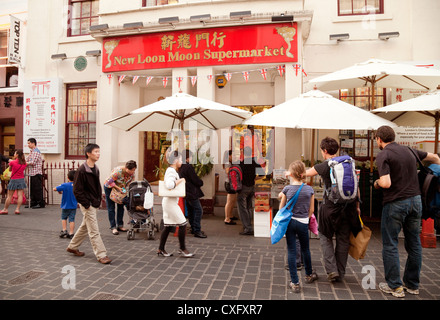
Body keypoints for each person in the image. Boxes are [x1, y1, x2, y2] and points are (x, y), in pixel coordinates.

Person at [374, 125, 440, 298]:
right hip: (416, 202)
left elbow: (386, 183)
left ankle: (395, 286)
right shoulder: (410, 150)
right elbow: (433, 157)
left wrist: (376, 183)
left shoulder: (383, 155)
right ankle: (412, 285)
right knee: (414, 244)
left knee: (390, 244)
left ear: (379, 139)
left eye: (376, 140)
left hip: (395, 203)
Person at [304, 137, 361, 282]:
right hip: (348, 208)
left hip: (330, 208)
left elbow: (304, 174)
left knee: (325, 236)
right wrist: (357, 206)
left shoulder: (325, 165)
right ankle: (340, 273)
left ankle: (332, 270)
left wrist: (289, 173)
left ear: (324, 151)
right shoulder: (348, 163)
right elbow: (357, 186)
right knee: (343, 239)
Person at [66, 143, 112, 264]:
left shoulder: (95, 168)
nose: (98, 154)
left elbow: (96, 186)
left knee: (85, 226)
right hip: (88, 204)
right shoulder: (81, 170)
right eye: (96, 151)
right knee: (94, 230)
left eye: (99, 151)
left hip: (94, 202)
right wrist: (86, 204)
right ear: (88, 153)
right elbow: (76, 190)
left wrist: (97, 199)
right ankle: (101, 254)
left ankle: (72, 246)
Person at [279, 160, 318, 292]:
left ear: (292, 174)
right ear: (304, 173)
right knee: (305, 249)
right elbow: (311, 210)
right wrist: (305, 219)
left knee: (291, 250)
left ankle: (295, 282)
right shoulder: (309, 189)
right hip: (303, 223)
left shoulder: (287, 189)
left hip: (290, 223)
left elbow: (281, 208)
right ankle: (308, 275)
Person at [158, 150, 194, 258]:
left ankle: (161, 249)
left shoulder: (171, 170)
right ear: (175, 160)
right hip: (170, 203)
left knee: (168, 226)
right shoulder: (171, 171)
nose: (182, 161)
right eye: (181, 159)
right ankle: (182, 248)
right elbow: (169, 185)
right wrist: (181, 180)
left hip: (170, 202)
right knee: (183, 223)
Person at [237, 146, 265, 235]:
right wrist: (255, 178)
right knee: (249, 207)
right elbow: (262, 174)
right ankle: (249, 225)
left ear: (243, 153)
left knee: (242, 208)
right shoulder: (255, 163)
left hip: (243, 187)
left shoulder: (240, 163)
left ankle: (248, 228)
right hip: (252, 187)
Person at [103, 160, 137, 235]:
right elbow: (109, 181)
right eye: (131, 170)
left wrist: (126, 191)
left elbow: (130, 184)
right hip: (110, 187)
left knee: (121, 206)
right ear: (126, 168)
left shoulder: (132, 174)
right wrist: (118, 188)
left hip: (121, 189)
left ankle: (120, 225)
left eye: (134, 170)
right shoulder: (118, 172)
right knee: (111, 207)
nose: (133, 172)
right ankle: (113, 227)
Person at [179, 150, 207, 238]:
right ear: (187, 158)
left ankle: (193, 227)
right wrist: (200, 182)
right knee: (199, 210)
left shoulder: (181, 167)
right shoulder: (188, 167)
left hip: (186, 192)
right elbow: (195, 179)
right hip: (192, 192)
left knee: (191, 210)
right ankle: (197, 230)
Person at [0, 149, 27, 215]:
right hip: (21, 179)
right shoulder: (24, 163)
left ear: (17, 155)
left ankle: (5, 209)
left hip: (13, 179)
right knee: (20, 195)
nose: (14, 154)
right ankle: (17, 209)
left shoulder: (12, 162)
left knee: (9, 196)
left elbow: (10, 170)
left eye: (15, 153)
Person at [54, 170, 77, 239]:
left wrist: (59, 191)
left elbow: (55, 189)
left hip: (65, 206)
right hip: (73, 206)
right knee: (72, 219)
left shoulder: (65, 185)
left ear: (68, 177)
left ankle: (64, 230)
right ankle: (71, 233)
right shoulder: (76, 185)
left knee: (64, 218)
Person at [26, 138, 45, 209]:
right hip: (32, 173)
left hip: (36, 173)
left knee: (37, 189)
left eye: (29, 143)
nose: (28, 145)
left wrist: (25, 163)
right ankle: (33, 202)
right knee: (32, 189)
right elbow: (27, 159)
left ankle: (40, 203)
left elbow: (32, 162)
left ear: (33, 143)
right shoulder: (32, 152)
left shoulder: (36, 152)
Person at [223, 150, 237, 225]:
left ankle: (230, 215)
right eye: (233, 155)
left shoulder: (231, 163)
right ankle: (227, 218)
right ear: (229, 156)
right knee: (229, 201)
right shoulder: (228, 163)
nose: (234, 157)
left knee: (233, 200)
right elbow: (228, 171)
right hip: (229, 183)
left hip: (232, 183)